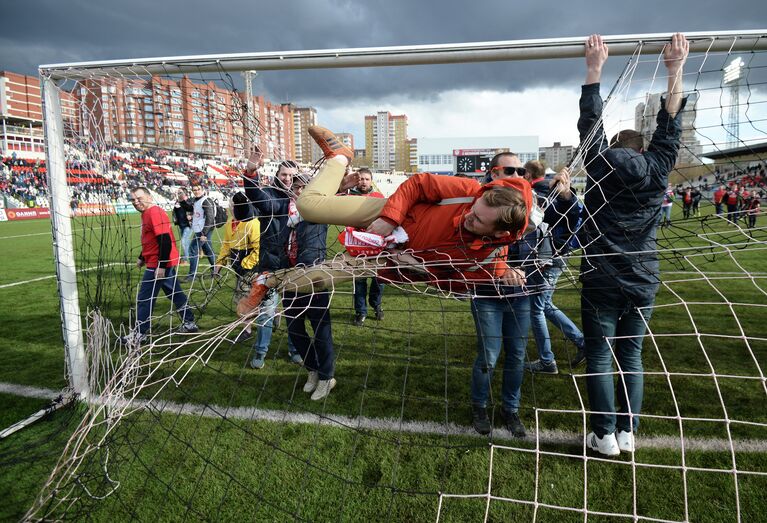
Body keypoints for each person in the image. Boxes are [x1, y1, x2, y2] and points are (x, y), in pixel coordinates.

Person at [236, 126, 534, 317]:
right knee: (309, 206)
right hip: (394, 213)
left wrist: (417, 266)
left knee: (321, 278)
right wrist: (391, 218)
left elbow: (452, 286)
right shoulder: (471, 192)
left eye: (478, 220)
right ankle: (339, 157)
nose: (469, 215)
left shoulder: (492, 260)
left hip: (390, 260)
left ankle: (264, 282)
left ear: (498, 233)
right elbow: (419, 184)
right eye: (474, 208)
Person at [578, 33, 689, 457]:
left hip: (602, 277)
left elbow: (590, 124)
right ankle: (627, 432)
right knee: (633, 357)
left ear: (610, 148)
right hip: (643, 277)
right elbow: (670, 121)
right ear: (644, 149)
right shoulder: (659, 168)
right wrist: (674, 68)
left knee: (602, 359)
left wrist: (594, 69)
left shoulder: (600, 164)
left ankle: (604, 436)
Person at [521, 160, 585, 376]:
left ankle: (547, 361)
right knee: (544, 304)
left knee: (536, 308)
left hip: (546, 257)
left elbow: (556, 218)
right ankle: (583, 343)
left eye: (521, 172)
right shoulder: (551, 188)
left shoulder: (542, 192)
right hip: (556, 254)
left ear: (528, 174)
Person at [242, 156, 304, 368]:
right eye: (284, 174)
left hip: (295, 265)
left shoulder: (303, 197)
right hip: (270, 265)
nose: (288, 179)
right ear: (277, 176)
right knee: (267, 311)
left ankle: (295, 349)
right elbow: (255, 194)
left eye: (291, 175)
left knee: (294, 311)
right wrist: (251, 172)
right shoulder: (270, 195)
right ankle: (261, 352)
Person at [280, 173, 337, 400]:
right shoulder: (286, 217)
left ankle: (326, 377)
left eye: (305, 187)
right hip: (289, 280)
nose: (300, 191)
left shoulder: (319, 213)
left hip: (314, 278)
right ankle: (312, 370)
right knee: (294, 330)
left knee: (321, 329)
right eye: (297, 187)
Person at [123, 187, 198, 344]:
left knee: (145, 297)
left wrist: (161, 266)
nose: (136, 202)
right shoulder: (147, 214)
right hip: (159, 261)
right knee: (175, 293)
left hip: (159, 263)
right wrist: (142, 256)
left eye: (139, 198)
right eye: (133, 200)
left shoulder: (154, 212)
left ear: (149, 197)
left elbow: (164, 240)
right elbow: (153, 241)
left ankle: (140, 333)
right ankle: (189, 323)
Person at [349, 168, 386, 326]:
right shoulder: (349, 197)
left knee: (379, 279)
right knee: (359, 281)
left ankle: (376, 304)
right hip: (357, 246)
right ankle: (361, 312)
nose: (363, 182)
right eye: (361, 179)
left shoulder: (378, 198)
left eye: (366, 179)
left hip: (376, 245)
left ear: (371, 181)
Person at [213, 191, 261, 304]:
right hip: (237, 266)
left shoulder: (252, 223)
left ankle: (261, 314)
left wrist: (246, 264)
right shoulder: (229, 223)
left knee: (243, 297)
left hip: (251, 268)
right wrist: (219, 263)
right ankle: (268, 313)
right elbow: (226, 245)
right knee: (245, 297)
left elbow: (259, 248)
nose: (233, 209)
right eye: (232, 206)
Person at [186, 184, 217, 282]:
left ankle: (192, 276)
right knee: (208, 250)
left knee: (193, 249)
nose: (196, 191)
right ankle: (215, 271)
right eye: (194, 190)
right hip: (199, 230)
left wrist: (204, 233)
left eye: (198, 189)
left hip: (203, 231)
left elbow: (210, 218)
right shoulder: (196, 200)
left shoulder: (206, 201)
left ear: (203, 190)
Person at [172, 188, 194, 264]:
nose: (178, 193)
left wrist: (191, 216)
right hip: (181, 225)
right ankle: (198, 250)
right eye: (178, 192)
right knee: (186, 241)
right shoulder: (177, 202)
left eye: (180, 192)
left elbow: (196, 211)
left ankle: (185, 260)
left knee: (184, 241)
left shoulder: (189, 201)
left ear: (184, 193)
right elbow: (175, 213)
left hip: (189, 225)